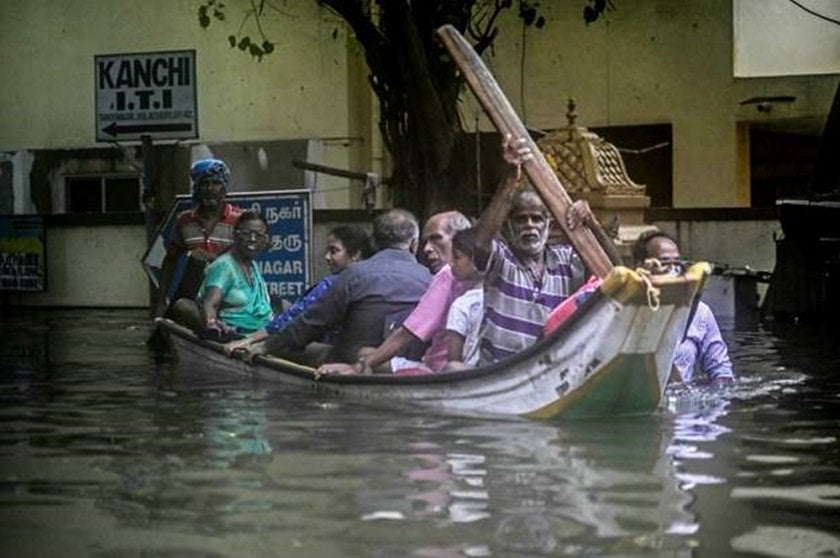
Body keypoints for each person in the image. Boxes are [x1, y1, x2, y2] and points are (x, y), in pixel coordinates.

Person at [244, 209, 432, 366]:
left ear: (374, 242)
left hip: (351, 363)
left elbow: (311, 324)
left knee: (292, 347)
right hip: (410, 363)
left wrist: (264, 347)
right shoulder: (431, 280)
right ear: (414, 245)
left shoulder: (354, 275)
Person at [474, 135, 596, 364]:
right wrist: (510, 179)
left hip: (548, 371)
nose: (530, 225)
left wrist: (591, 224)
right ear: (509, 225)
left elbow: (610, 273)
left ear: (548, 224)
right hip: (499, 371)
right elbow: (480, 244)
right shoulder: (502, 259)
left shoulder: (565, 260)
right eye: (522, 219)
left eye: (537, 219)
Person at [318, 210, 473, 375]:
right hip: (459, 366)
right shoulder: (476, 274)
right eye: (426, 241)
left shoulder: (447, 274)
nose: (427, 248)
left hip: (434, 371)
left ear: (461, 239)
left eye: (436, 239)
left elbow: (409, 332)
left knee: (364, 355)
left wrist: (358, 368)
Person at [222, 225, 373, 355]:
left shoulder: (332, 284)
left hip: (335, 352)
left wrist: (250, 341)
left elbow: (296, 316)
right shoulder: (373, 278)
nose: (327, 257)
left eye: (334, 251)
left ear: (355, 254)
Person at [632, 230, 735, 388]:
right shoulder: (627, 309)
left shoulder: (700, 312)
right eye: (664, 262)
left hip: (682, 400)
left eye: (678, 263)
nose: (673, 270)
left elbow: (721, 371)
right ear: (642, 265)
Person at [154, 158, 243, 319]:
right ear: (197, 188)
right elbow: (170, 261)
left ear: (224, 188)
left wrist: (215, 258)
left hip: (232, 299)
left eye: (216, 183)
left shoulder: (240, 220)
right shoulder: (184, 220)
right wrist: (161, 302)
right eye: (204, 183)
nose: (210, 189)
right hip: (195, 301)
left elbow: (246, 260)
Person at [172, 210, 273, 341]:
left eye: (258, 235)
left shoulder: (252, 266)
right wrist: (212, 324)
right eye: (247, 234)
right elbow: (210, 304)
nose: (252, 239)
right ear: (235, 235)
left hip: (260, 333)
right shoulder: (225, 266)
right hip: (235, 334)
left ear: (264, 240)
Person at [442, 228, 484, 371]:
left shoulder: (463, 305)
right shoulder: (505, 294)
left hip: (472, 379)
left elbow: (454, 358)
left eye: (457, 257)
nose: (451, 263)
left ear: (476, 259)